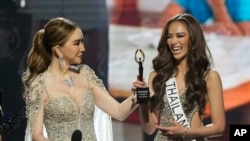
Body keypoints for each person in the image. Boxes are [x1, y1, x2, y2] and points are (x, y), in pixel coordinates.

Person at [22, 17, 138, 141]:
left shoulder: (85, 74)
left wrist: (139, 95)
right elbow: (36, 135)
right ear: (58, 50)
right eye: (77, 43)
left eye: (82, 42)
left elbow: (118, 111)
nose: (83, 48)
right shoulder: (40, 84)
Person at [132, 13, 226, 140]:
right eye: (169, 37)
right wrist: (143, 102)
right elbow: (149, 129)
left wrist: (185, 131)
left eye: (180, 36)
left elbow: (219, 127)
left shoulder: (209, 77)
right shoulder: (157, 76)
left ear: (193, 39)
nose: (173, 41)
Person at [159, 0, 250, 36]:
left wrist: (218, 7)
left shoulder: (242, 2)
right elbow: (166, 24)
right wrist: (206, 29)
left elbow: (242, 38)